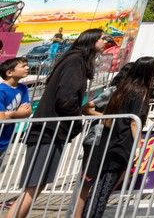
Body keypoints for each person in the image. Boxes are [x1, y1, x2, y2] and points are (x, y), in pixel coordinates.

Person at [6, 28, 109, 218]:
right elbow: (66, 98)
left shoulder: (74, 60)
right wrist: (77, 121)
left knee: (37, 186)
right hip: (48, 132)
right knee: (33, 186)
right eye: (102, 38)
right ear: (91, 40)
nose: (106, 41)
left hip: (53, 132)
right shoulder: (75, 61)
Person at [75, 57, 154, 218]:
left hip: (109, 140)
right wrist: (138, 147)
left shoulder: (122, 89)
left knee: (99, 186)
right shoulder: (140, 92)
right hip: (123, 142)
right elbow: (134, 122)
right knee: (104, 189)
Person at [0, 58, 32, 165]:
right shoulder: (1, 91)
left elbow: (27, 112)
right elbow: (1, 118)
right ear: (9, 72)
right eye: (23, 66)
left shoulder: (23, 88)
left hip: (5, 139)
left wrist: (10, 114)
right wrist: (17, 114)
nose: (27, 68)